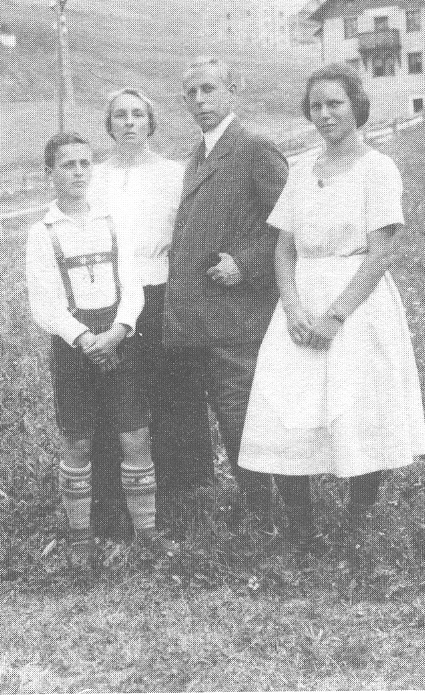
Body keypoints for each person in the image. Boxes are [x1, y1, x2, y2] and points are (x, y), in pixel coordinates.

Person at [238, 63, 425, 552]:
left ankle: (356, 518)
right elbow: (283, 247)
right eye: (316, 106)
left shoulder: (377, 168)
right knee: (284, 407)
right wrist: (295, 310)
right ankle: (301, 526)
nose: (324, 115)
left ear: (356, 106)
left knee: (359, 407)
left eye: (334, 104)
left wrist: (335, 316)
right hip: (300, 303)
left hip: (356, 303)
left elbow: (382, 249)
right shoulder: (301, 170)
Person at [26, 132, 179, 570]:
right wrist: (82, 338)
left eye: (84, 163)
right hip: (74, 347)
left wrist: (120, 329)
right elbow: (44, 303)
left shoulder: (113, 221)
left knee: (135, 434)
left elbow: (132, 285)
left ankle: (147, 531)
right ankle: (80, 538)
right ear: (50, 172)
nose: (77, 172)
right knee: (78, 441)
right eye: (67, 164)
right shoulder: (43, 232)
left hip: (118, 338)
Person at [163, 56, 289, 531]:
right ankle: (259, 509)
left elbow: (292, 226)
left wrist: (247, 263)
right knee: (224, 420)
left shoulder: (254, 148)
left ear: (233, 91)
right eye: (191, 93)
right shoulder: (197, 154)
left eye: (209, 90)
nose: (200, 101)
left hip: (237, 319)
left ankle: (271, 517)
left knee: (243, 419)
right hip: (198, 321)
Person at [89, 88, 214, 529]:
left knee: (169, 389)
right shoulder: (94, 177)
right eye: (119, 115)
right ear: (109, 125)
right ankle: (112, 490)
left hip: (161, 291)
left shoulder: (173, 174)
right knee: (114, 393)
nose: (128, 122)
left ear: (150, 123)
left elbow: (190, 233)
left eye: (137, 115)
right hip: (109, 297)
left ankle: (180, 490)